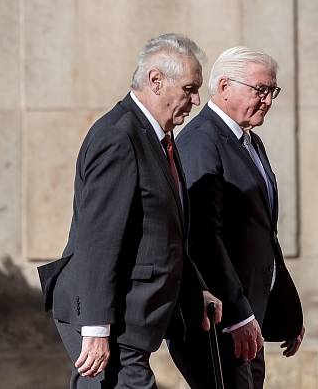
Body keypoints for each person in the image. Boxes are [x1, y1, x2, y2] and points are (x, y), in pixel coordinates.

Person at [37, 34, 223, 389]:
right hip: (108, 320)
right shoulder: (119, 137)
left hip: (132, 319)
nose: (197, 100)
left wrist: (195, 288)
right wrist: (94, 329)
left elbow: (162, 231)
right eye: (189, 88)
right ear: (155, 81)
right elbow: (99, 239)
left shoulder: (158, 138)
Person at [171, 46, 304, 389]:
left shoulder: (249, 141)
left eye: (271, 91)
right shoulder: (202, 141)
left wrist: (286, 307)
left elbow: (261, 234)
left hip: (249, 317)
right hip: (220, 321)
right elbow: (201, 237)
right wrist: (236, 313)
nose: (267, 100)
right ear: (225, 86)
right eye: (259, 90)